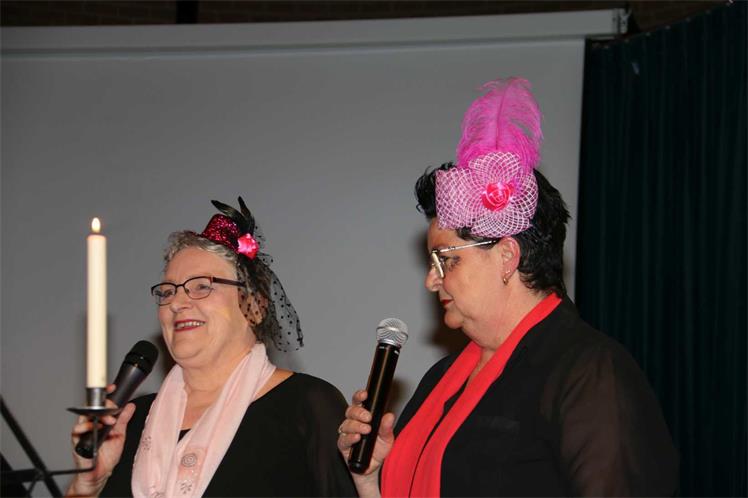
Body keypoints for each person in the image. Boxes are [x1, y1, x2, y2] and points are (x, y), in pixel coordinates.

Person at [337, 78, 679, 497]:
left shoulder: (588, 372)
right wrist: (370, 479)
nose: (430, 280)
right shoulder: (441, 379)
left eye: (446, 259)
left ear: (506, 256)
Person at [67, 198, 356, 497]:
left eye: (202, 286)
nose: (177, 303)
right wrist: (87, 486)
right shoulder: (127, 421)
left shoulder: (306, 406)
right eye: (167, 291)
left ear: (255, 307)